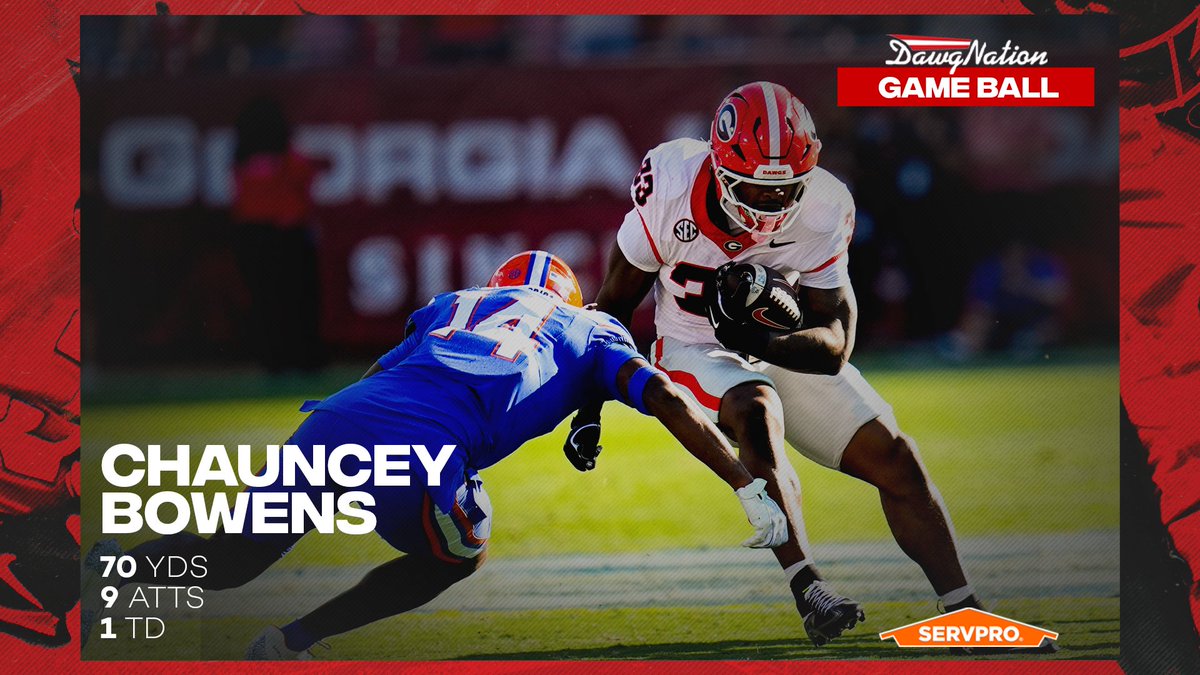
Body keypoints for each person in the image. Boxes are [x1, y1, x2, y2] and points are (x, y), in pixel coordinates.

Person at [81, 250, 788, 659]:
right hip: (423, 450)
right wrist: (742, 480)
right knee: (462, 551)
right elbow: (666, 395)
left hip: (336, 421)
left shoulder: (455, 300)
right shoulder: (592, 327)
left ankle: (90, 570)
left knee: (232, 558)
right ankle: (293, 642)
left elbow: (377, 378)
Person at [567, 81, 998, 647]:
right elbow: (613, 309)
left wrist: (765, 342)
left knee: (895, 457)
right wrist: (588, 407)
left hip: (776, 341)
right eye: (754, 189)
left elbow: (836, 340)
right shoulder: (671, 183)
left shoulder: (823, 205)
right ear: (720, 168)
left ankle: (963, 612)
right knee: (756, 406)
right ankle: (809, 587)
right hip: (692, 346)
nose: (771, 206)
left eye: (784, 191)